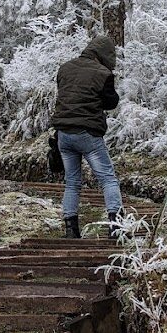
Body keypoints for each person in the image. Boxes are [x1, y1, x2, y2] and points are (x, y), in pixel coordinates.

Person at [49, 35, 123, 239]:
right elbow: (110, 103)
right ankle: (116, 226)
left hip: (64, 135)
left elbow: (66, 96)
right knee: (108, 179)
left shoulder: (65, 68)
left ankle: (71, 229)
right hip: (88, 134)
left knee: (72, 182)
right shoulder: (103, 73)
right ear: (105, 55)